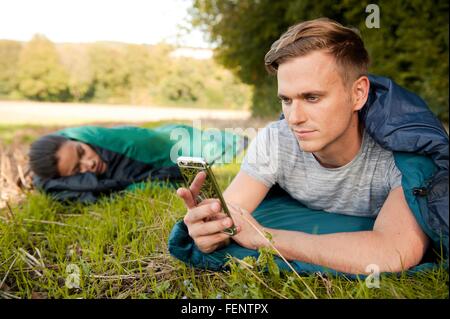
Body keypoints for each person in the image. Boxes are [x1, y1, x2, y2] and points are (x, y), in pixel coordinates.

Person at [176, 18, 435, 275]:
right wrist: (212, 231)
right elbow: (232, 216)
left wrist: (266, 239)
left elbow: (393, 254)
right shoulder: (276, 141)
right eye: (286, 100)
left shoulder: (401, 156)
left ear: (358, 94)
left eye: (312, 97)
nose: (294, 118)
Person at [29, 124, 247, 203]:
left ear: (76, 140)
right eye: (78, 169)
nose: (90, 163)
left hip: (170, 141)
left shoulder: (124, 145)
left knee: (206, 144)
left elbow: (167, 175)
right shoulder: (53, 163)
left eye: (81, 151)